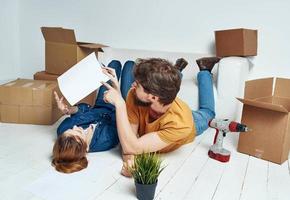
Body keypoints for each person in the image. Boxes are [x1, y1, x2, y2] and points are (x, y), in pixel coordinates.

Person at [101, 56, 220, 176]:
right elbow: (128, 142)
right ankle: (175, 70)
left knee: (208, 113)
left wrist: (120, 104)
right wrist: (130, 162)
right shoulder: (135, 95)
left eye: (137, 84)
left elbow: (131, 146)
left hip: (192, 121)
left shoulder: (183, 125)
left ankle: (205, 70)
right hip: (165, 103)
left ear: (152, 97)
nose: (133, 85)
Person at [51, 60, 123, 173]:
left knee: (114, 64)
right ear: (87, 149)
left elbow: (86, 109)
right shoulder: (106, 141)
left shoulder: (63, 132)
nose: (76, 127)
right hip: (120, 106)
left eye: (71, 129)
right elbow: (123, 119)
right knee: (129, 66)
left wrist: (69, 110)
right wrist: (116, 88)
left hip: (102, 102)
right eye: (79, 133)